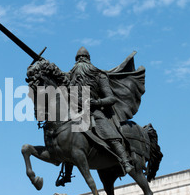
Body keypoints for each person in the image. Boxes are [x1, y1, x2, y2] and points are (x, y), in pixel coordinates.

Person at [55, 47, 134, 187]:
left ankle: (125, 160)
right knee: (68, 136)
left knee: (107, 131)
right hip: (78, 111)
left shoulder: (99, 76)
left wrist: (97, 102)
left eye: (82, 58)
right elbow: (57, 75)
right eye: (78, 59)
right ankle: (67, 174)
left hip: (96, 110)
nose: (80, 62)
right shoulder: (71, 75)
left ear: (88, 60)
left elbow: (111, 98)